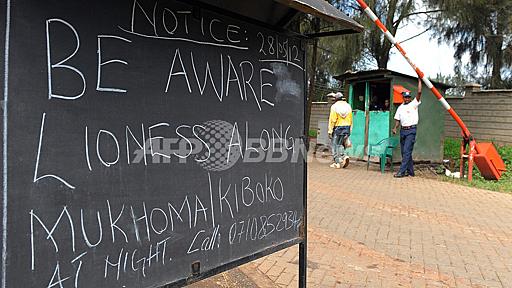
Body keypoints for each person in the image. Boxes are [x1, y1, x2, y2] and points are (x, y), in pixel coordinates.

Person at [392, 78, 422, 177]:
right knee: (404, 152)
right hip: (403, 131)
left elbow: (419, 92)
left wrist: (419, 81)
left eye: (408, 97)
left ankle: (401, 172)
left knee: (406, 151)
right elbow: (397, 120)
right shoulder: (400, 108)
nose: (407, 99)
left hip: (411, 130)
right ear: (403, 98)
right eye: (405, 97)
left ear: (410, 98)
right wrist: (395, 128)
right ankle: (411, 172)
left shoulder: (414, 104)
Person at [327, 92, 353, 169]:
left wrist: (330, 130)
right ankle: (343, 157)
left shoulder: (334, 107)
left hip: (338, 128)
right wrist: (350, 130)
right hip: (347, 128)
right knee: (340, 145)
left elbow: (332, 120)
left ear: (336, 99)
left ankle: (337, 162)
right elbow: (351, 119)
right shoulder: (348, 106)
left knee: (335, 145)